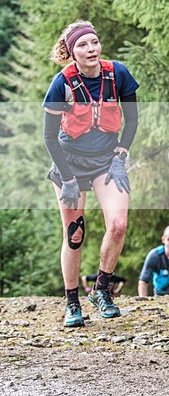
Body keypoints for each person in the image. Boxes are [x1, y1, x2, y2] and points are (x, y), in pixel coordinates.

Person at [43, 20, 139, 327]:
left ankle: (101, 288)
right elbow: (48, 137)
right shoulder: (62, 83)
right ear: (72, 52)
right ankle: (72, 302)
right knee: (75, 235)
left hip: (106, 161)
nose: (91, 49)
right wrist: (68, 178)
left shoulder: (118, 74)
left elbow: (132, 121)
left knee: (119, 224)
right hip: (69, 162)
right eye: (83, 45)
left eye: (94, 42)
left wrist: (120, 157)